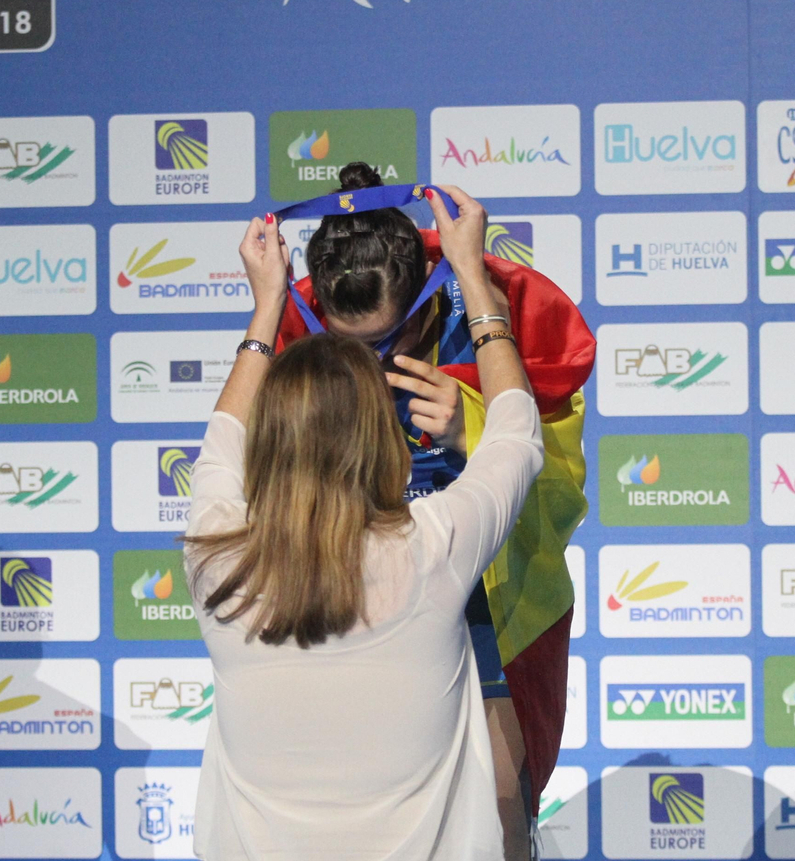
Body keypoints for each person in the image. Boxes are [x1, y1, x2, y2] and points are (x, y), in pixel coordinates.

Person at [185, 185, 545, 859]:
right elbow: (517, 440)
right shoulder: (433, 550)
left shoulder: (216, 560)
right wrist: (472, 273)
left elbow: (222, 440)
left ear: (269, 444)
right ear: (383, 441)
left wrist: (267, 307)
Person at [278, 163, 594, 858]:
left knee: (501, 819)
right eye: (349, 347)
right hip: (356, 614)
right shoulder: (297, 349)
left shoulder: (519, 330)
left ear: (426, 301)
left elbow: (564, 498)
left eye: (385, 341)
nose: (370, 364)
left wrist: (475, 429)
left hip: (492, 619)